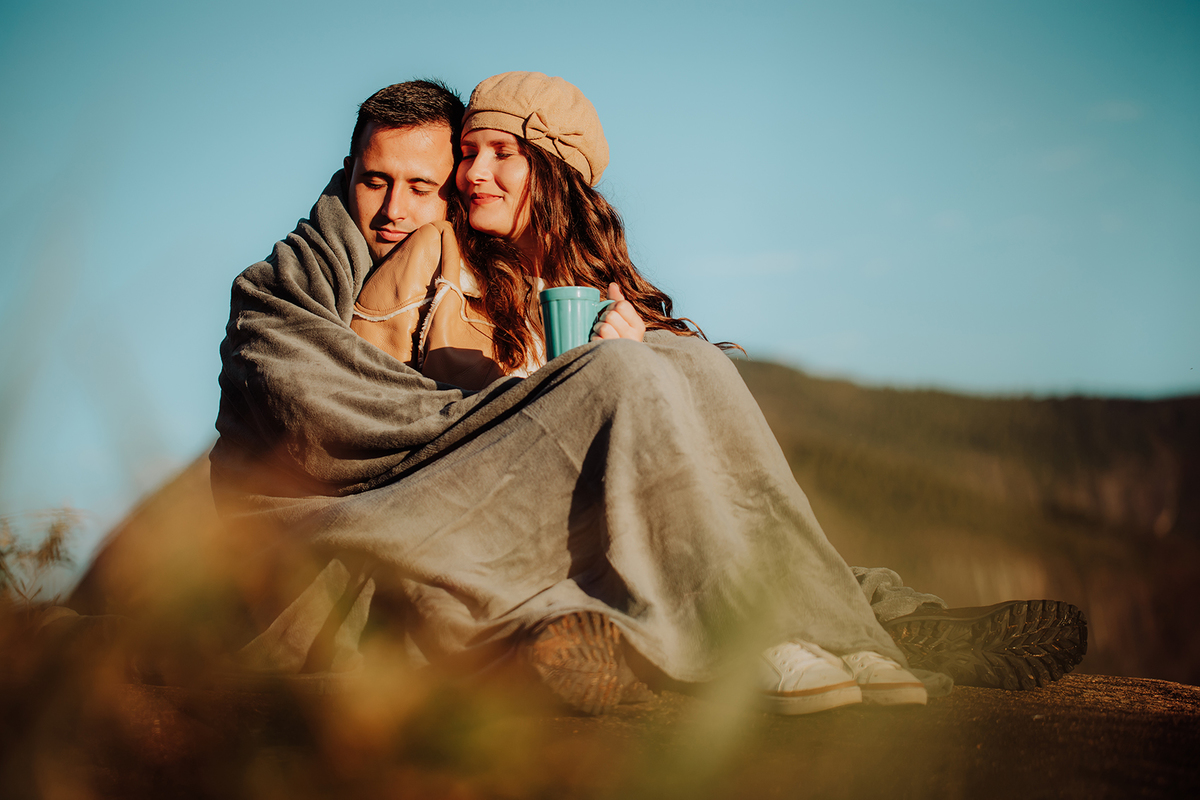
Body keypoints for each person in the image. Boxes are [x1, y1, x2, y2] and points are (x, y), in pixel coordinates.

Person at [210, 76, 1085, 714]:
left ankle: (843, 620)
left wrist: (617, 373)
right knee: (624, 382)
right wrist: (556, 396)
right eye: (377, 181)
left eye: (429, 183)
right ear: (347, 174)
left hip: (519, 512)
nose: (401, 207)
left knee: (687, 366)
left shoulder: (545, 283)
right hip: (369, 529)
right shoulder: (318, 284)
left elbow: (688, 458)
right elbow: (353, 428)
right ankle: (789, 627)